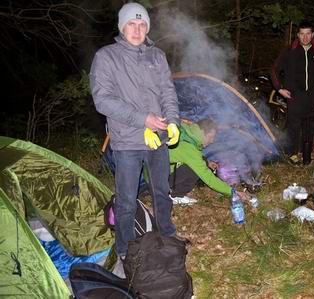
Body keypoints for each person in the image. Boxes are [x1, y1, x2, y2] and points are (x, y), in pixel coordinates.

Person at [90, 2, 181, 266]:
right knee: (127, 199)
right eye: (132, 23)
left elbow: (167, 92)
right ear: (122, 26)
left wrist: (173, 121)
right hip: (127, 141)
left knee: (162, 192)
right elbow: (103, 100)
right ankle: (126, 249)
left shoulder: (157, 56)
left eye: (142, 25)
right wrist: (144, 120)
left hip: (158, 140)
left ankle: (167, 235)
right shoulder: (106, 57)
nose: (138, 29)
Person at [271, 20, 314, 165]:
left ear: (313, 34)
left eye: (308, 34)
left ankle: (307, 153)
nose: (305, 37)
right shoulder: (289, 50)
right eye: (302, 34)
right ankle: (293, 153)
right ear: (297, 35)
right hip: (295, 95)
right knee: (293, 127)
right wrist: (279, 89)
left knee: (311, 125)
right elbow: (273, 70)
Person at [168, 119, 250, 204]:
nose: (212, 141)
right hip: (159, 180)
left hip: (159, 173)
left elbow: (189, 156)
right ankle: (175, 196)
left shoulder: (187, 135)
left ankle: (171, 188)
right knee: (193, 169)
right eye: (211, 136)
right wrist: (233, 192)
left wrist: (207, 162)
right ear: (203, 133)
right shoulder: (188, 147)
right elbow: (209, 178)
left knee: (199, 162)